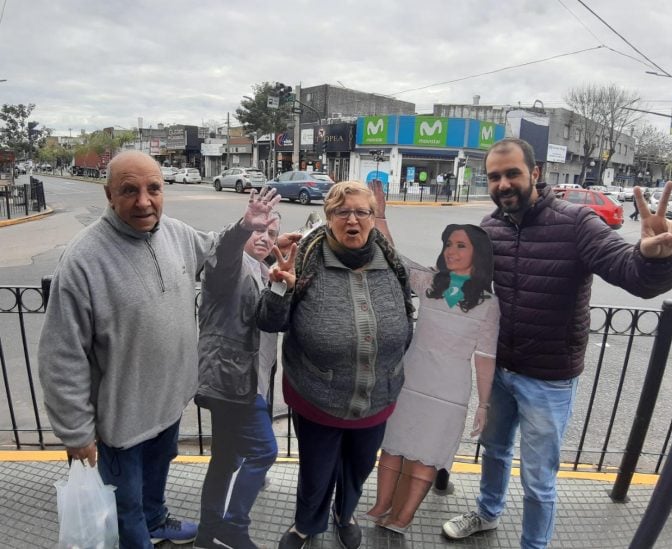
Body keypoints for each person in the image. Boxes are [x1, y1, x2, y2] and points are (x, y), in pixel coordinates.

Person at [441, 138, 672, 549]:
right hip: (499, 370)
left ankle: (534, 545)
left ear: (535, 174)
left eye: (512, 173)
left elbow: (633, 275)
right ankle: (486, 513)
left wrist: (655, 257)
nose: (503, 184)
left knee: (539, 478)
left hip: (549, 379)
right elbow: (464, 290)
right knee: (494, 451)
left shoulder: (577, 223)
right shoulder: (489, 228)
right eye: (494, 177)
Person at [39, 150, 227, 548]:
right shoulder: (83, 260)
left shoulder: (175, 233)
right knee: (126, 512)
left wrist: (260, 236)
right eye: (129, 190)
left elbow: (214, 249)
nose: (144, 201)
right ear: (109, 195)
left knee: (154, 486)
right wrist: (76, 433)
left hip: (167, 405)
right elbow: (61, 355)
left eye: (153, 188)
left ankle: (157, 520)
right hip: (119, 424)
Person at [256, 181, 415, 549]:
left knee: (359, 468)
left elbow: (406, 318)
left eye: (362, 212)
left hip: (376, 398)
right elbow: (269, 321)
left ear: (373, 218)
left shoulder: (391, 263)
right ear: (328, 217)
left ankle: (345, 514)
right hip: (318, 398)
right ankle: (306, 524)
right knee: (316, 472)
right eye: (343, 212)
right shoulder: (307, 259)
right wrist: (281, 288)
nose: (353, 220)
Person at [365, 180, 500, 534]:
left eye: (461, 245)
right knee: (395, 443)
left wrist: (483, 405)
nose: (451, 251)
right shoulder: (430, 282)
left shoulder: (489, 304)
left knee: (426, 452)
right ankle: (381, 505)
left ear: (479, 254)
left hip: (449, 389)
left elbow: (485, 356)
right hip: (412, 377)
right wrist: (380, 217)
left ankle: (403, 517)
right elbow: (393, 257)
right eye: (448, 244)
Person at [193, 187, 299, 549]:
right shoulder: (228, 266)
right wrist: (243, 226)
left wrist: (281, 287)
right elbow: (222, 254)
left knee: (225, 457)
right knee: (264, 451)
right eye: (259, 230)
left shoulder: (263, 267)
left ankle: (207, 533)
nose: (264, 237)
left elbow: (269, 323)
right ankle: (233, 526)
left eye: (271, 233)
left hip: (246, 381)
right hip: (231, 382)